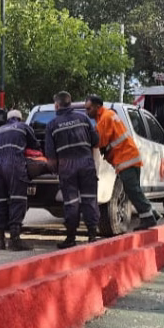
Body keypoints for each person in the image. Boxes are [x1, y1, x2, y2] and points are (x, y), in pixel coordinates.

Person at [86, 94, 158, 230]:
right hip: (130, 157)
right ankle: (152, 213)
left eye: (89, 109)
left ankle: (148, 218)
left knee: (132, 190)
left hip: (125, 159)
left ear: (97, 107)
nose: (87, 112)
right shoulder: (108, 115)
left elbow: (100, 142)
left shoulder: (105, 119)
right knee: (134, 189)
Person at [44, 91, 99, 249]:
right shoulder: (83, 118)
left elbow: (51, 155)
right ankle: (92, 236)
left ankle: (71, 238)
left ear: (57, 105)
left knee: (71, 203)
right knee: (89, 199)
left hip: (67, 166)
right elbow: (96, 140)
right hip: (86, 163)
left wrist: (54, 170)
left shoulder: (52, 125)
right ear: (70, 103)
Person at [0, 109, 39, 251]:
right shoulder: (24, 127)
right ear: (20, 118)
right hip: (14, 164)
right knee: (17, 200)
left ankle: (0, 241)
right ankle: (15, 240)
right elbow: (35, 145)